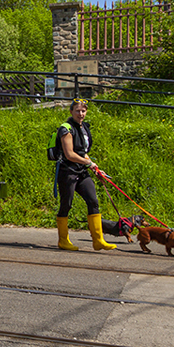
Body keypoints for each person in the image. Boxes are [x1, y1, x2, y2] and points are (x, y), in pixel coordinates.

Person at [54, 98, 116, 251]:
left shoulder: (84, 128)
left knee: (93, 200)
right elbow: (70, 154)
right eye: (77, 111)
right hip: (67, 171)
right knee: (66, 205)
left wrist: (96, 169)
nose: (80, 114)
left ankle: (98, 240)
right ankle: (63, 240)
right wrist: (89, 163)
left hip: (82, 171)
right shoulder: (66, 128)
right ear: (71, 112)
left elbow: (83, 153)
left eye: (83, 111)